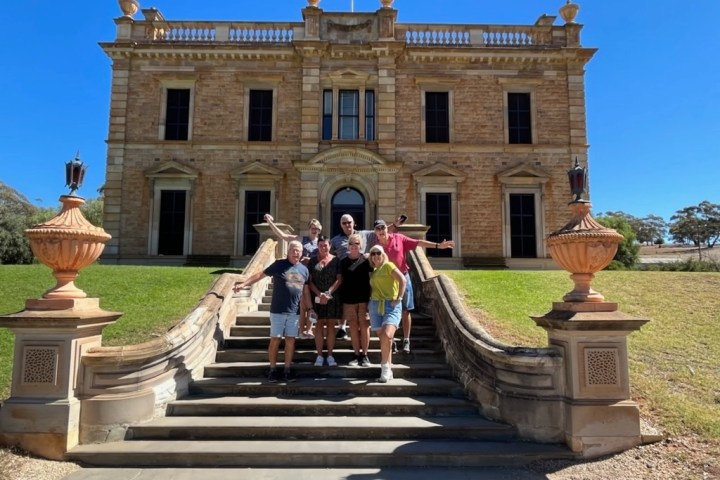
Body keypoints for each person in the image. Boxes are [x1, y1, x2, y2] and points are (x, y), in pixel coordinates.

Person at [369, 218, 454, 354]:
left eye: (383, 228)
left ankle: (406, 339)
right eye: (378, 229)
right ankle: (392, 339)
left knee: (405, 310)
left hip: (403, 277)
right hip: (387, 283)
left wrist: (438, 245)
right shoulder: (375, 247)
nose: (381, 231)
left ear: (387, 228)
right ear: (375, 232)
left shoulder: (399, 238)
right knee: (388, 310)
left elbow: (418, 242)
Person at [233, 240, 308, 383]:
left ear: (301, 253)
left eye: (298, 250)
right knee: (275, 340)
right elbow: (260, 275)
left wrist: (309, 309)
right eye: (293, 249)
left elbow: (305, 292)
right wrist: (243, 284)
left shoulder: (304, 270)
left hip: (294, 312)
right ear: (288, 251)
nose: (295, 252)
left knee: (290, 341)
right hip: (278, 310)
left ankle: (287, 370)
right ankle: (273, 370)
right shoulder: (279, 265)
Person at [263, 213, 322, 339]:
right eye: (312, 227)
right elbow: (283, 236)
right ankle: (301, 330)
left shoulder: (321, 242)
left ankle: (309, 329)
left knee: (311, 303)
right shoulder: (301, 239)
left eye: (316, 228)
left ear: (319, 230)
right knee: (301, 303)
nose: (314, 229)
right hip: (298, 274)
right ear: (309, 228)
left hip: (314, 275)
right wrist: (270, 223)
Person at [367, 244, 406, 383]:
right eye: (373, 254)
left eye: (378, 253)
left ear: (383, 254)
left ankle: (384, 368)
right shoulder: (374, 270)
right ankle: (388, 369)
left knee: (387, 335)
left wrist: (399, 298)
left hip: (391, 304)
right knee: (383, 338)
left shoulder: (389, 265)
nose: (376, 256)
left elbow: (403, 280)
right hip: (375, 305)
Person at [306, 236, 343, 367]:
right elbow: (309, 281)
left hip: (332, 297)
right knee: (319, 325)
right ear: (318, 246)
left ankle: (331, 355)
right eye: (321, 245)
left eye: (325, 245)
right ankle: (320, 355)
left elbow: (339, 279)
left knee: (331, 325)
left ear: (330, 246)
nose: (323, 247)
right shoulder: (312, 261)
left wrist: (328, 293)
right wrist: (319, 294)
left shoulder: (336, 260)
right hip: (316, 297)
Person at [339, 233, 373, 367]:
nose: (354, 246)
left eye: (357, 243)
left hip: (364, 299)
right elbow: (340, 281)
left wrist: (371, 298)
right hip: (349, 299)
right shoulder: (343, 262)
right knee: (352, 326)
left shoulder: (366, 261)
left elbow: (372, 280)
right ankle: (356, 354)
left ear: (361, 245)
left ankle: (364, 355)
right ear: (348, 245)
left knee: (364, 326)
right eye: (351, 243)